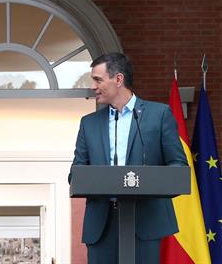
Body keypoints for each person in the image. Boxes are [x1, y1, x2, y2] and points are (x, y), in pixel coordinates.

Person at [69, 53, 186, 264]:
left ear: (118, 79)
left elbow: (177, 166)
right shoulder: (89, 123)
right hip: (102, 226)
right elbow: (76, 173)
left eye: (98, 79)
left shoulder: (159, 115)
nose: (93, 86)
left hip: (146, 222)